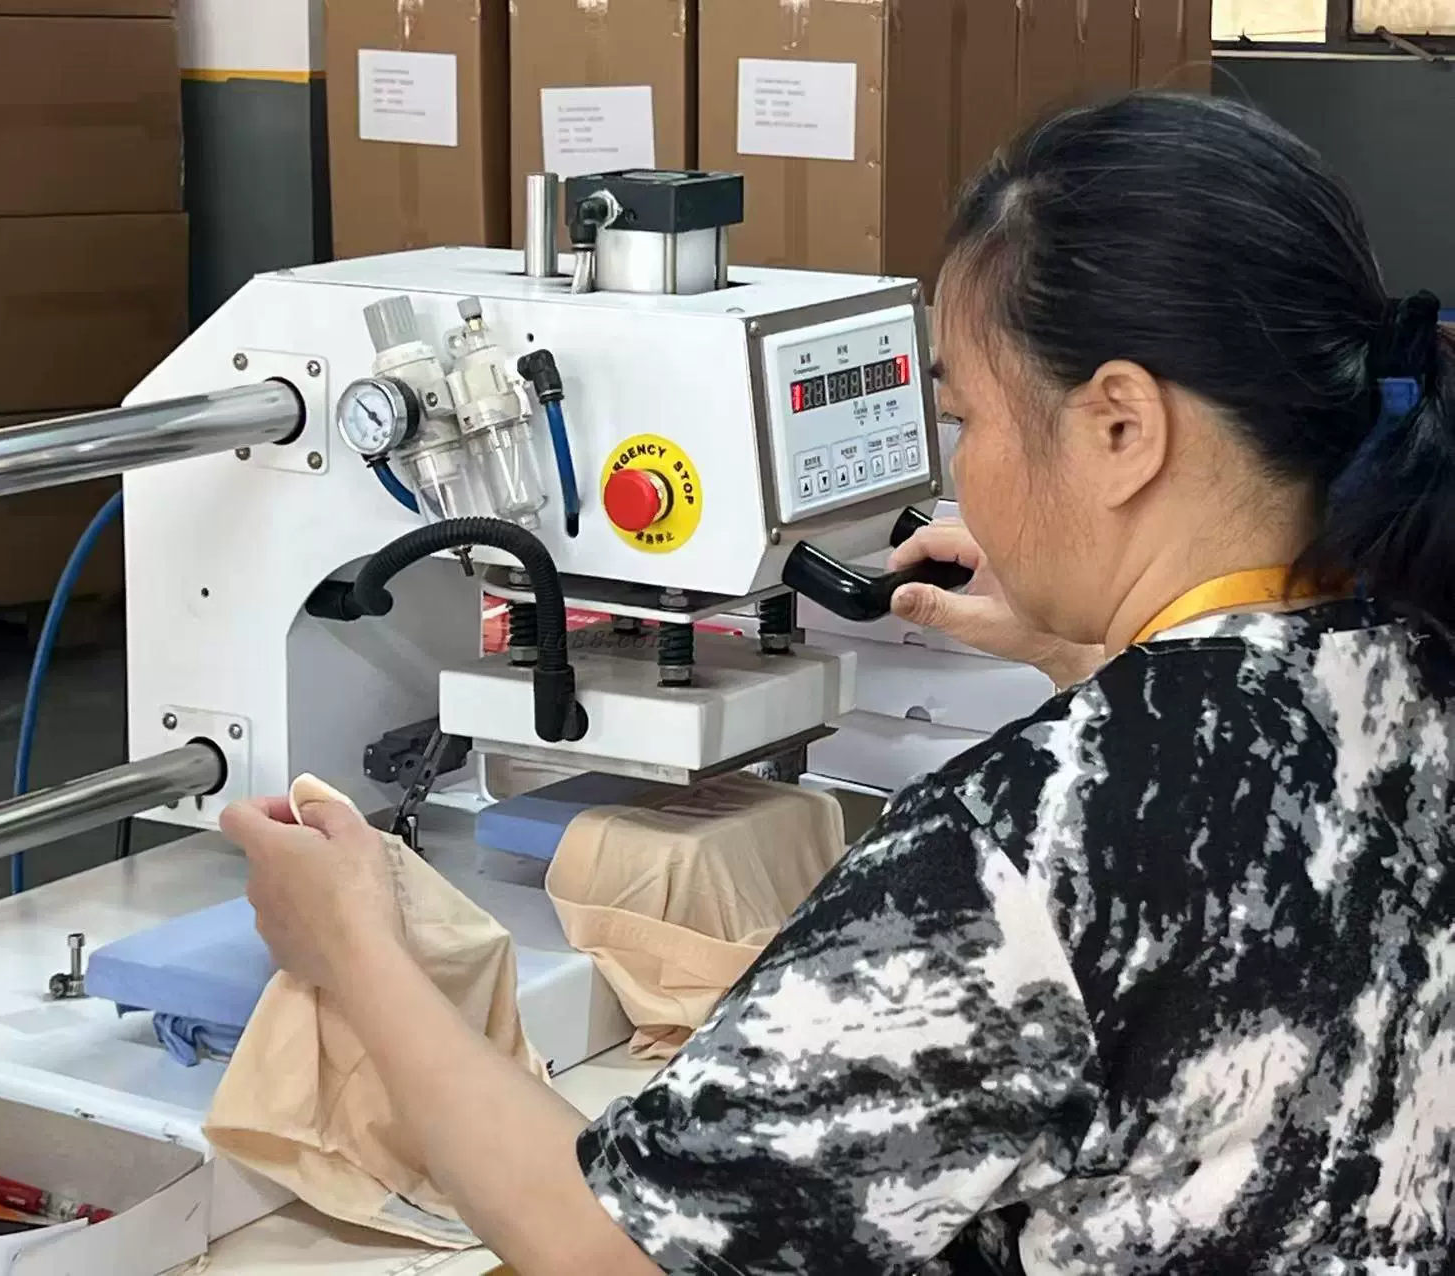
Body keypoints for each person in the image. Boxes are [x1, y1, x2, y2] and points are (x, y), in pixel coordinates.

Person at [221, 92, 1455, 1274]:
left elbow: (617, 1251)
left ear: (1120, 428)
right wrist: (1094, 655)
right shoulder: (1414, 649)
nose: (961, 470)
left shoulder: (1027, 844)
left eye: (965, 420)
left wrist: (354, 948)